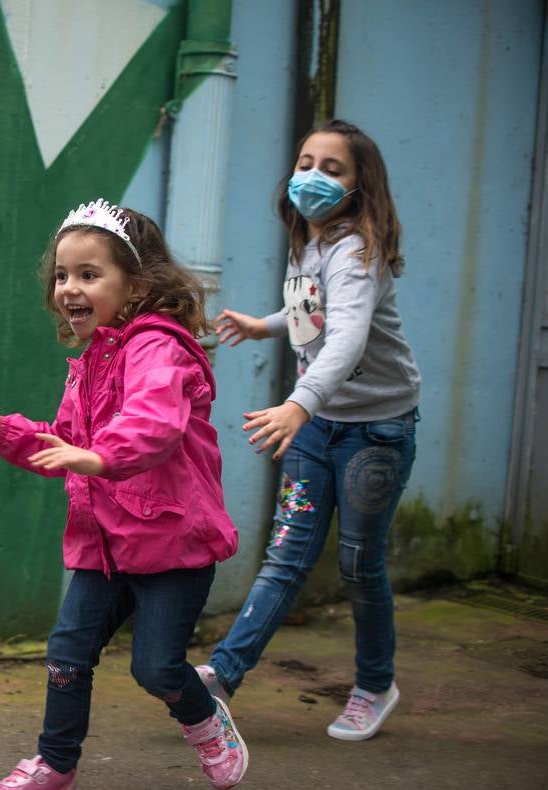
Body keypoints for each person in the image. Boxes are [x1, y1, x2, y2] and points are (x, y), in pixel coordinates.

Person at [0, 199, 245, 790]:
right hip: (102, 544)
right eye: (62, 275)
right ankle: (56, 771)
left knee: (156, 669)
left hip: (171, 545)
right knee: (66, 656)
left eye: (89, 274)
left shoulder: (157, 346)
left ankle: (203, 716)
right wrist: (3, 431)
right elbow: (63, 444)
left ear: (135, 284)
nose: (69, 288)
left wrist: (98, 457)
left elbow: (152, 424)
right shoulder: (90, 362)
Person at [196, 119, 421, 742]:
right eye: (305, 162)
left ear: (358, 186)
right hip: (320, 423)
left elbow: (347, 335)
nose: (312, 176)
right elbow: (310, 312)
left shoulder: (356, 251)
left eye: (332, 168)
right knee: (286, 555)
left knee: (357, 562)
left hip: (374, 430)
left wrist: (298, 404)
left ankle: (375, 685)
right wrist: (265, 326)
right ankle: (222, 675)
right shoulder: (311, 242)